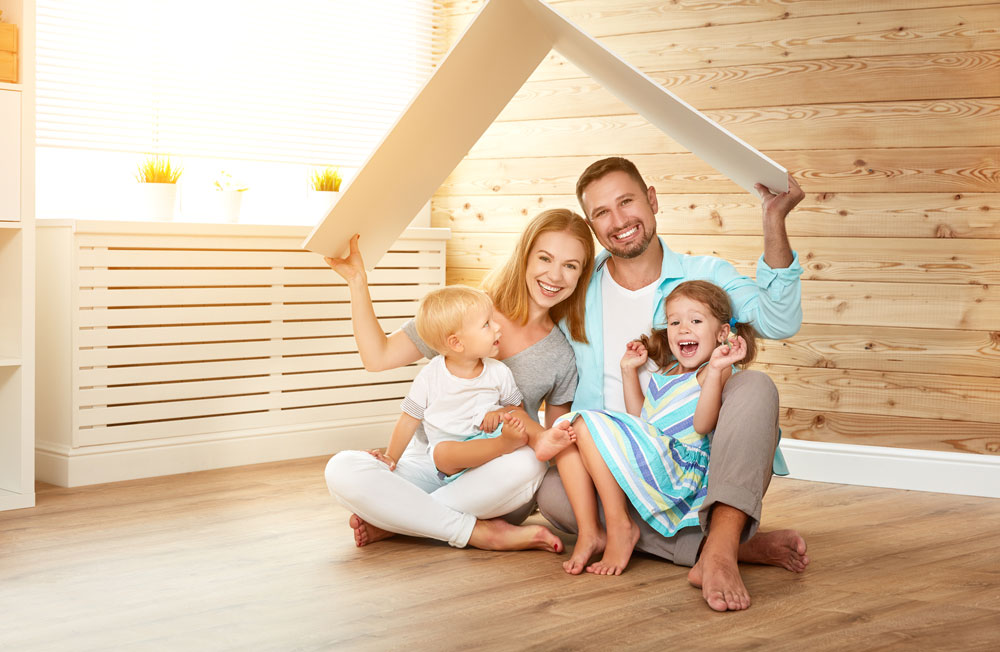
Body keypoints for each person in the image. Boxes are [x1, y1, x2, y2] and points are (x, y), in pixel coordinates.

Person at [536, 157, 810, 612]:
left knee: (755, 386)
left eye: (627, 202)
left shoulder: (703, 276)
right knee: (550, 492)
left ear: (653, 199)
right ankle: (727, 547)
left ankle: (720, 546)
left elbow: (780, 320)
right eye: (602, 212)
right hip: (616, 469)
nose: (619, 220)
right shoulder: (574, 286)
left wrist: (773, 220)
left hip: (700, 461)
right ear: (591, 225)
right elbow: (527, 336)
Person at [324, 209, 595, 552]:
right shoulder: (465, 311)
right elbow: (377, 357)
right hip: (433, 460)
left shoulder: (560, 353)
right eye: (545, 258)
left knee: (531, 462)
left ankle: (401, 520)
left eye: (571, 265)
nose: (555, 275)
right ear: (525, 257)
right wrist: (357, 282)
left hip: (497, 471)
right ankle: (477, 532)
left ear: (581, 274)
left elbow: (552, 443)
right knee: (342, 469)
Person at [554, 280, 755, 577]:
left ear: (722, 333)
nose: (683, 329)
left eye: (696, 321)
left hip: (680, 469)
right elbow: (643, 421)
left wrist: (714, 370)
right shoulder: (668, 370)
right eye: (675, 322)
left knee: (583, 421)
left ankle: (620, 526)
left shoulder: (717, 370)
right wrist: (628, 371)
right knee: (570, 432)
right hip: (658, 454)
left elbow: (702, 425)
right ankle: (592, 531)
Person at [388, 284, 577, 484]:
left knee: (516, 415)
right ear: (457, 343)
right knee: (442, 452)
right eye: (487, 324)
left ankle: (542, 439)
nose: (498, 327)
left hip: (486, 439)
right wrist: (391, 457)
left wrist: (500, 414)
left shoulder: (498, 371)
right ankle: (504, 444)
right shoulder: (430, 376)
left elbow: (516, 408)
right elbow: (408, 420)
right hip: (452, 453)